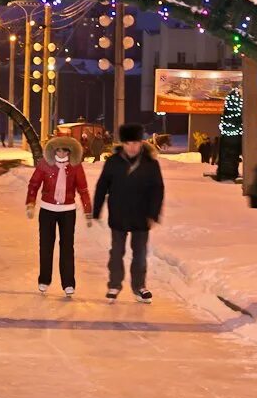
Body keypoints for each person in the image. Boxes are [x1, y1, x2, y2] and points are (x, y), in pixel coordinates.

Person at [92, 123, 164, 304]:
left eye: (135, 143)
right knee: (117, 252)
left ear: (141, 143)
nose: (132, 147)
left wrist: (153, 214)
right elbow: (102, 186)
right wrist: (97, 209)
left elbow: (158, 190)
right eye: (128, 143)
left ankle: (139, 286)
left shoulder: (150, 163)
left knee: (139, 254)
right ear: (123, 144)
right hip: (119, 214)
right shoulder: (113, 162)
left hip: (141, 216)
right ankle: (114, 285)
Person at [26, 136, 92, 297]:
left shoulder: (75, 167)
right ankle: (44, 279)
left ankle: (68, 283)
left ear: (70, 152)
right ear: (54, 150)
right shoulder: (45, 164)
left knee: (67, 248)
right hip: (47, 210)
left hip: (67, 211)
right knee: (46, 246)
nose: (62, 153)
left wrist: (87, 211)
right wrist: (30, 203)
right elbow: (34, 184)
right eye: (59, 150)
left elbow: (83, 189)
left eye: (65, 150)